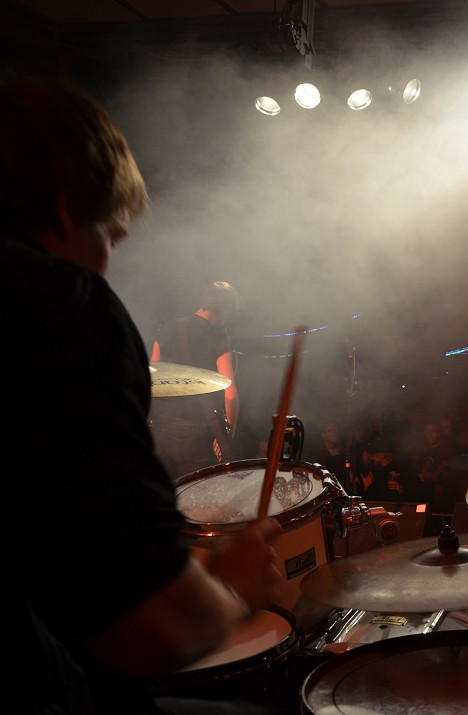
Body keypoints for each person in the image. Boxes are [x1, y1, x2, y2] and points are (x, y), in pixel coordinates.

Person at [1, 79, 282, 713]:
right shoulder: (60, 306)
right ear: (67, 207)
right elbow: (149, 636)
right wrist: (231, 588)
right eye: (111, 237)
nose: (106, 264)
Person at [150, 280, 241, 481]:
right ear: (226, 311)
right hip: (195, 434)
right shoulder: (217, 337)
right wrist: (228, 431)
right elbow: (231, 394)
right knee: (196, 502)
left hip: (161, 429)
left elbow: (151, 380)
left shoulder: (166, 328)